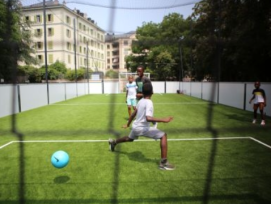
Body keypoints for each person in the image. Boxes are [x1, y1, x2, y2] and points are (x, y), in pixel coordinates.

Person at [109, 83, 175, 170]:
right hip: (141, 128)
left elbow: (133, 114)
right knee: (163, 135)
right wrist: (164, 120)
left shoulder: (140, 101)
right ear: (152, 92)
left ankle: (114, 142)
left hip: (135, 126)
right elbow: (148, 118)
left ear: (142, 93)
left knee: (130, 138)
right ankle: (163, 163)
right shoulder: (149, 102)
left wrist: (128, 124)